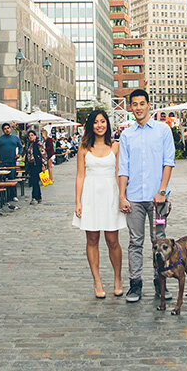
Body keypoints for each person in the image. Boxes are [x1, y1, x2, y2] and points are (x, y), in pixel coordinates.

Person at [118, 89, 174, 303]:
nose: (138, 107)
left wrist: (162, 191)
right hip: (134, 199)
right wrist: (122, 196)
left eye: (142, 103)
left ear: (148, 105)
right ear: (130, 108)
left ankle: (161, 284)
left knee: (159, 241)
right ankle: (135, 284)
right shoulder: (126, 135)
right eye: (134, 104)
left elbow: (168, 162)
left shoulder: (163, 131)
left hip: (157, 201)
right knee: (135, 242)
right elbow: (123, 168)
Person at [73, 110, 126, 298]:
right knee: (92, 240)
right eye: (96, 122)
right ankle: (97, 281)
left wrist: (122, 196)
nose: (99, 125)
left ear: (107, 124)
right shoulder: (84, 148)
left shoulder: (116, 147)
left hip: (110, 195)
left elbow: (121, 173)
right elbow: (80, 175)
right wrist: (78, 201)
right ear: (91, 125)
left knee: (113, 240)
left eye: (103, 121)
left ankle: (117, 278)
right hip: (91, 196)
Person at [0, 123, 23, 206]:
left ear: (10, 129)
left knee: (12, 179)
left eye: (8, 128)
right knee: (2, 180)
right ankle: (3, 195)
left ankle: (13, 195)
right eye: (5, 129)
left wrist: (19, 154)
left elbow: (21, 147)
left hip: (12, 162)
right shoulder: (0, 139)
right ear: (3, 130)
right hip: (2, 162)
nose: (7, 130)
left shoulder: (15, 138)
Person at [23, 129, 51, 205]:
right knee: (34, 181)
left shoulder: (38, 143)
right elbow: (27, 154)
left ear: (35, 136)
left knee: (35, 181)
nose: (30, 137)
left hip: (37, 165)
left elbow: (43, 154)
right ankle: (39, 197)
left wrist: (43, 165)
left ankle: (34, 197)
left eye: (32, 135)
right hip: (31, 165)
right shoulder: (28, 144)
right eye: (29, 136)